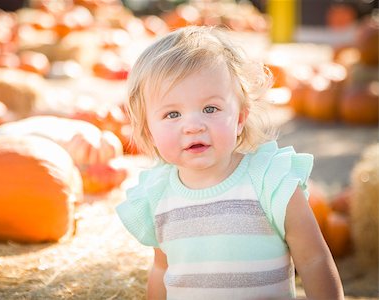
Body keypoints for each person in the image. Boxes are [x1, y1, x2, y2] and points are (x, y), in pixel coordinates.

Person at [116, 25, 344, 300]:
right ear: (148, 128)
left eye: (210, 109)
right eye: (172, 114)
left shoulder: (270, 181)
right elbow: (161, 269)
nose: (193, 126)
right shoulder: (156, 194)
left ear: (239, 118)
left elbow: (314, 260)